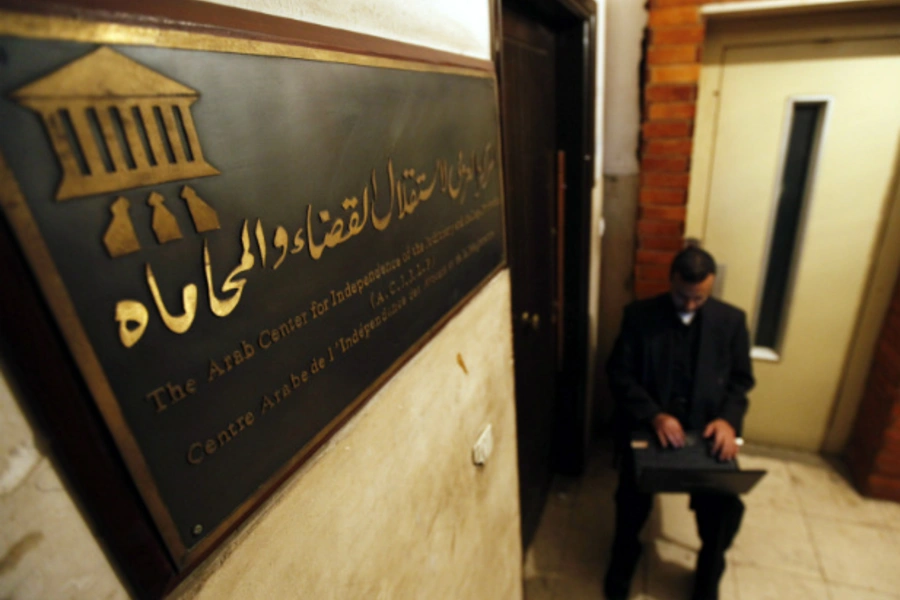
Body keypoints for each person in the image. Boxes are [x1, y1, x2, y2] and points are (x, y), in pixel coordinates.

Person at [603, 245, 754, 600]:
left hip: (706, 430)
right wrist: (653, 414)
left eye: (698, 299)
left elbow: (740, 381)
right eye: (683, 296)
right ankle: (624, 556)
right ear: (672, 280)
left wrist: (728, 421)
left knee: (723, 506)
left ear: (711, 287)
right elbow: (619, 373)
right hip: (650, 425)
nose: (689, 306)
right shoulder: (639, 316)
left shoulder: (731, 321)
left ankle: (710, 566)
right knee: (630, 501)